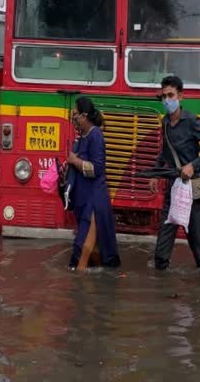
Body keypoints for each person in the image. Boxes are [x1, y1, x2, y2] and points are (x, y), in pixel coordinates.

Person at [151, 76, 200, 270]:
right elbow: (165, 152)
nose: (167, 100)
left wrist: (193, 165)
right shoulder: (164, 122)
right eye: (164, 96)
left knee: (199, 251)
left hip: (191, 192)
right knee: (161, 254)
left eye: (170, 95)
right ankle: (162, 286)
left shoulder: (191, 120)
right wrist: (157, 174)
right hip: (171, 190)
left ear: (180, 96)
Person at [66, 96, 120, 270]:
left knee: (82, 250)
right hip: (83, 199)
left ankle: (79, 289)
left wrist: (76, 162)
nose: (74, 118)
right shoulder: (81, 136)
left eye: (76, 114)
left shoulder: (96, 135)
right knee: (93, 252)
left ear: (85, 115)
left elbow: (97, 169)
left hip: (94, 201)